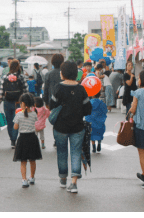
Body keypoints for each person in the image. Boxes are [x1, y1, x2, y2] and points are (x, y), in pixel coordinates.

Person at [50, 61, 92, 193]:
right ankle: (73, 183)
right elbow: (88, 109)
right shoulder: (81, 88)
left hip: (60, 127)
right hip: (77, 127)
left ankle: (63, 178)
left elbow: (52, 105)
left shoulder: (58, 87)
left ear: (63, 73)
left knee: (62, 152)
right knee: (75, 153)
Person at [0, 59, 28, 149]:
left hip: (7, 102)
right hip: (18, 103)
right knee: (17, 121)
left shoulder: (5, 77)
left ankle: (12, 140)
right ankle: (15, 138)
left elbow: (1, 91)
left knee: (10, 121)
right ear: (18, 67)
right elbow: (26, 90)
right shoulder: (21, 77)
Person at [13, 93, 42, 188]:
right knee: (32, 160)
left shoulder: (18, 115)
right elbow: (35, 123)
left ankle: (24, 180)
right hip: (32, 138)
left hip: (22, 139)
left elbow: (15, 127)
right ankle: (32, 177)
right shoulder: (34, 114)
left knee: (23, 161)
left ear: (23, 103)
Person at [43, 53, 64, 148]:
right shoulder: (65, 73)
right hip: (65, 100)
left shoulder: (48, 74)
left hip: (53, 101)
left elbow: (46, 89)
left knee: (55, 120)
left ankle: (56, 140)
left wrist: (46, 102)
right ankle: (63, 138)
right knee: (64, 119)